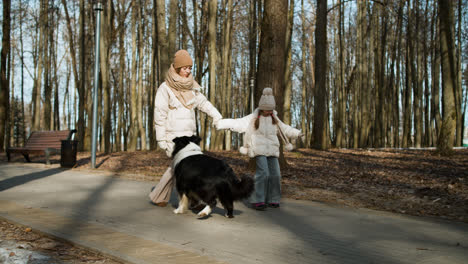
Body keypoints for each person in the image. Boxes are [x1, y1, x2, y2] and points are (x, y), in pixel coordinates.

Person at [149, 49, 222, 207]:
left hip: (190, 136)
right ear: (176, 68)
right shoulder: (165, 88)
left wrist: (216, 116)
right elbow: (159, 114)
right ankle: (196, 200)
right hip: (173, 137)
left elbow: (203, 103)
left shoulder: (192, 87)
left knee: (177, 168)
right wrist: (161, 138)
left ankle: (159, 195)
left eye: (190, 68)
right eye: (184, 68)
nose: (188, 71)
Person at [216, 88, 302, 210]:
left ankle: (273, 199)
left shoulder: (275, 118)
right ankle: (258, 199)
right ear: (261, 107)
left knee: (276, 175)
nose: (268, 112)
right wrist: (222, 123)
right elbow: (239, 123)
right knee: (263, 173)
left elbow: (285, 129)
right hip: (258, 150)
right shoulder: (253, 118)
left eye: (270, 109)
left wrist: (297, 133)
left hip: (273, 150)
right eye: (266, 109)